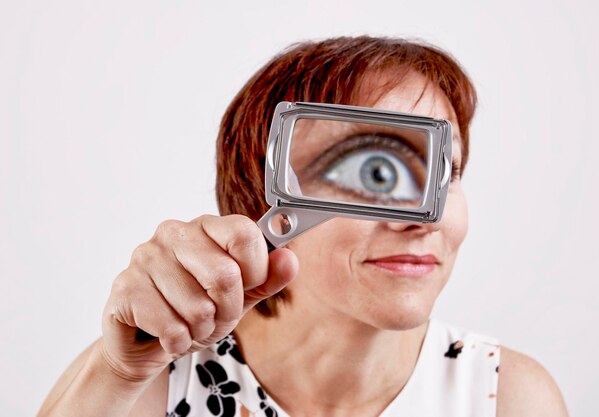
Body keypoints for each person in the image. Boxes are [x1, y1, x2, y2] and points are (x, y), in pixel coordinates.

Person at [37, 36, 569, 417]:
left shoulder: (511, 398)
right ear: (265, 191)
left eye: (445, 172)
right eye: (375, 171)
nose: (424, 221)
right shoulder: (148, 382)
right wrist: (118, 373)